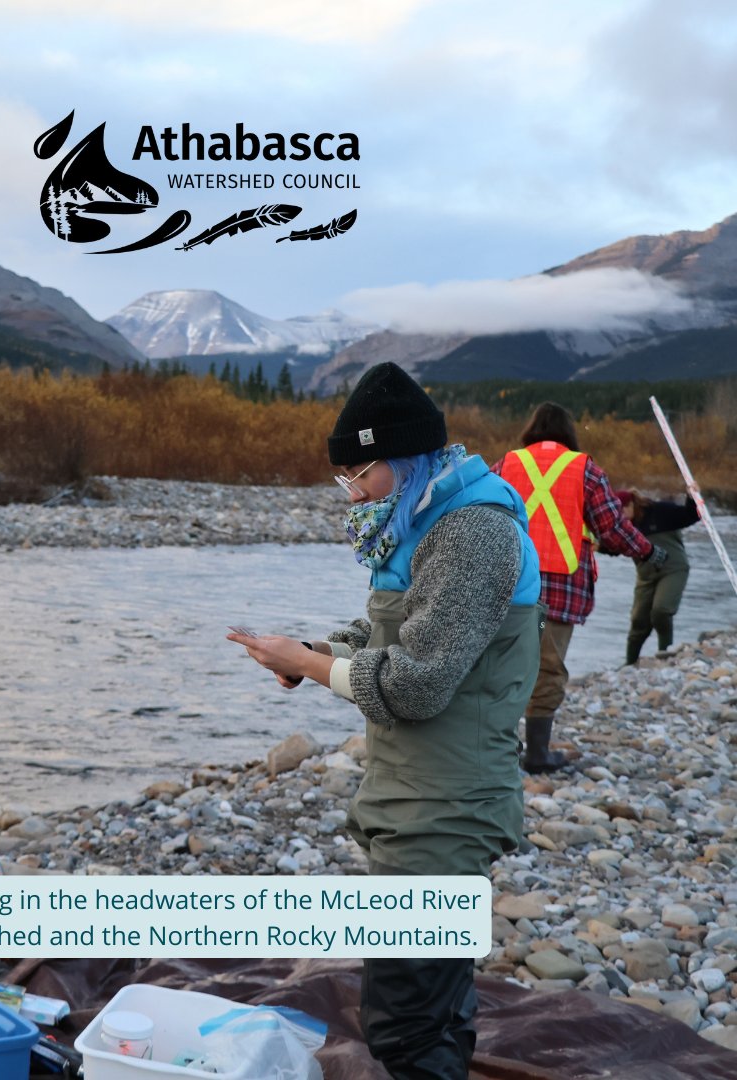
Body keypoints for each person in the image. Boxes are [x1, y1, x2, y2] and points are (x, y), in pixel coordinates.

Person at [228, 363, 543, 1080]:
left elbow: (417, 684)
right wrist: (314, 651)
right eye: (344, 478)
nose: (353, 493)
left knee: (402, 1024)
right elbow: (388, 638)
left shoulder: (471, 536)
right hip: (413, 800)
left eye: (360, 474)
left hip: (446, 808)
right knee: (435, 1004)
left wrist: (310, 667)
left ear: (403, 458)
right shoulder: (425, 520)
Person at [492, 403, 666, 773]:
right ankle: (537, 754)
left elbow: (482, 517)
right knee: (547, 667)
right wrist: (648, 551)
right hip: (558, 591)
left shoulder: (506, 464)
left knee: (503, 667)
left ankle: (494, 750)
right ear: (569, 433)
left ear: (531, 430)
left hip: (507, 586)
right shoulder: (584, 468)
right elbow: (613, 529)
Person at [613, 489, 699, 664]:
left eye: (621, 511)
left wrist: (692, 497)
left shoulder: (659, 511)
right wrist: (596, 547)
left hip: (673, 569)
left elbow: (691, 515)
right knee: (638, 621)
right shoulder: (621, 526)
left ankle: (665, 654)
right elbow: (614, 547)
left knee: (661, 611)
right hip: (646, 576)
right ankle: (629, 664)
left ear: (631, 504)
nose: (619, 516)